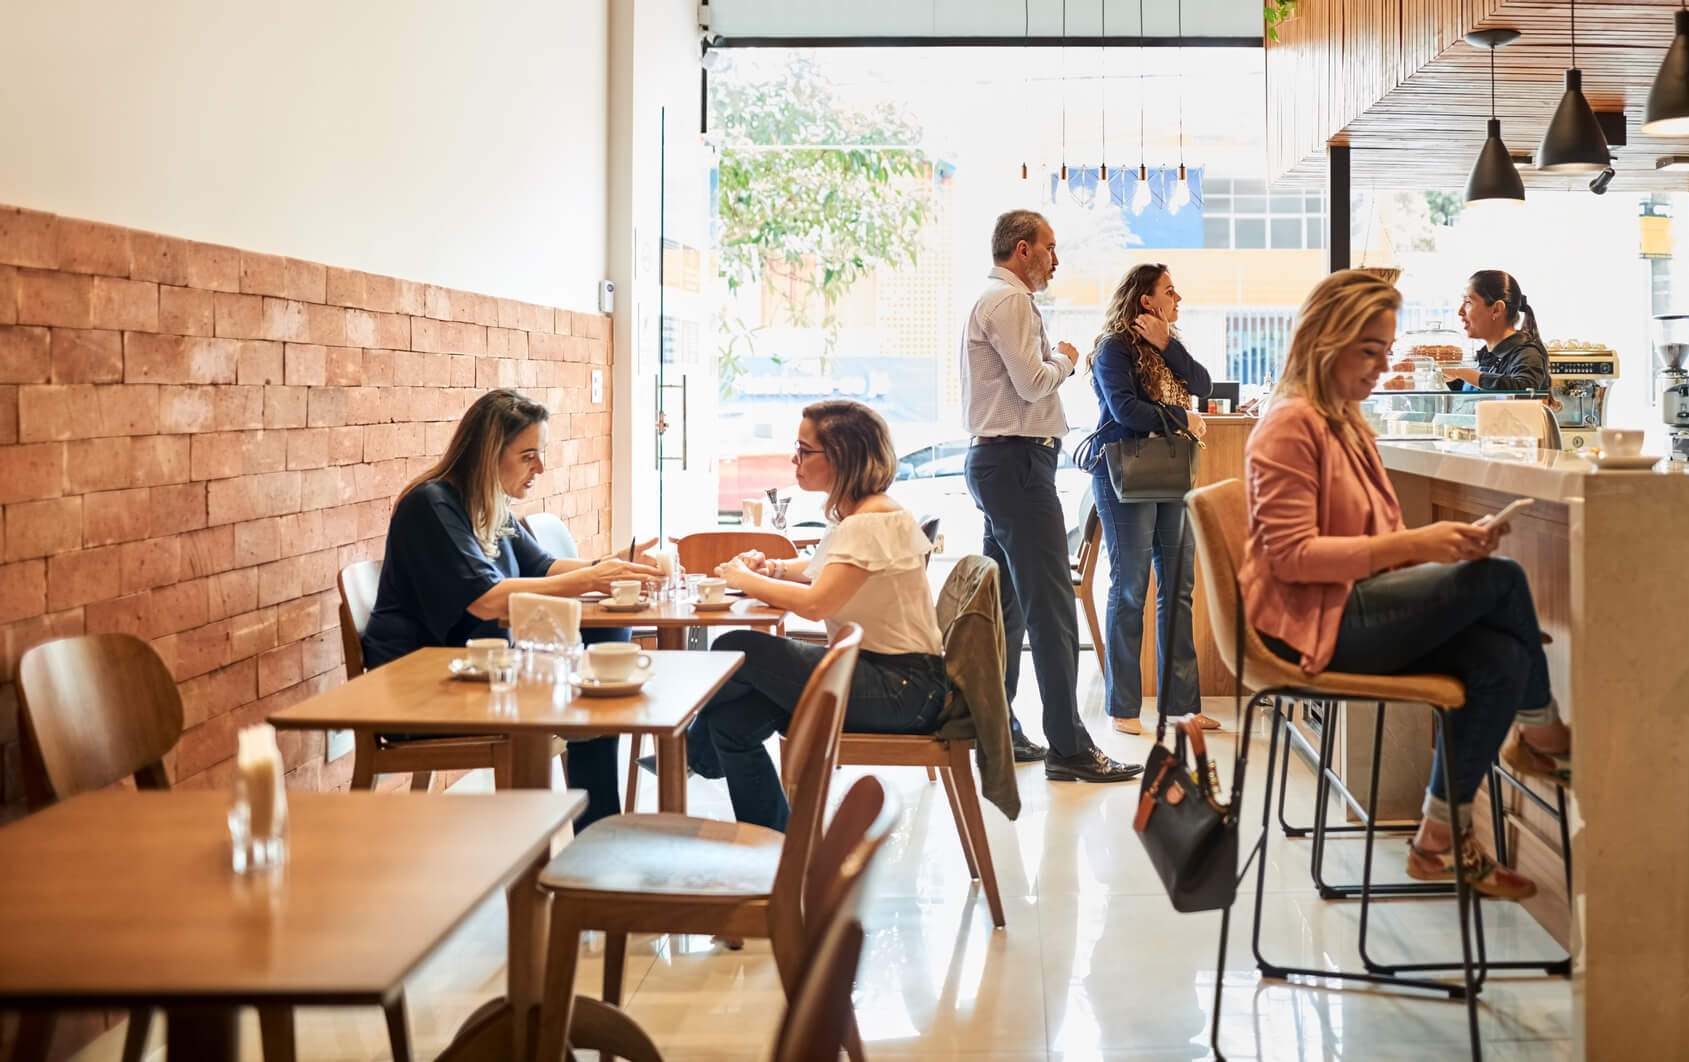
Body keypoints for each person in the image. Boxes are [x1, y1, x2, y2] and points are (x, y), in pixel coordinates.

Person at [1243, 269, 1573, 899]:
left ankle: (1437, 841)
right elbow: (1291, 558)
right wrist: (1425, 547)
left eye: (1386, 350)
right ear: (1323, 342)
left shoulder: (1344, 421)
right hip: (1307, 624)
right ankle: (1546, 738)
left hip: (1346, 608)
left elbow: (1383, 545)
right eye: (1369, 350)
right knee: (1501, 584)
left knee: (1501, 657)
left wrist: (1441, 558)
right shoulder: (1292, 425)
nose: (1381, 365)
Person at [362, 388, 663, 827]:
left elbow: (540, 567)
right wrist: (594, 579)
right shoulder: (432, 506)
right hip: (424, 688)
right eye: (528, 456)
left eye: (540, 454)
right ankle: (593, 823)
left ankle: (598, 824)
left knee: (604, 643)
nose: (540, 467)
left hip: (477, 671)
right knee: (591, 676)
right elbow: (486, 600)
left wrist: (611, 565)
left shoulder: (489, 503)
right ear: (488, 454)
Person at [682, 400, 951, 828]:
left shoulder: (870, 522)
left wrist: (742, 577)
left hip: (900, 688)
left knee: (736, 646)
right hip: (895, 680)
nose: (794, 460)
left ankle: (684, 753)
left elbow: (816, 603)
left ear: (842, 457)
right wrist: (769, 568)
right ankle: (777, 846)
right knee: (734, 721)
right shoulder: (868, 514)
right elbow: (822, 572)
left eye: (804, 451)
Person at [961, 209, 1139, 784]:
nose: (1056, 259)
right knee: (1053, 606)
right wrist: (1066, 355)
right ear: (1021, 250)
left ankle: (1001, 729)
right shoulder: (1008, 302)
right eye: (1050, 248)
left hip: (1002, 462)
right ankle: (1068, 747)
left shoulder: (997, 300)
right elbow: (1033, 381)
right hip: (1014, 464)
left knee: (1009, 606)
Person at [1080, 263, 1217, 736]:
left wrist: (1165, 343)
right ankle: (1123, 707)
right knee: (1131, 586)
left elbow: (1202, 384)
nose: (1178, 299)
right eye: (1170, 292)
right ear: (1146, 300)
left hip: (1172, 472)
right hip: (1124, 475)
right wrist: (1182, 419)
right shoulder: (1112, 349)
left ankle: (1182, 707)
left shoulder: (1166, 348)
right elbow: (1125, 412)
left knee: (1178, 585)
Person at [1442, 269, 1550, 392]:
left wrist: (1463, 373)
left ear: (1496, 310)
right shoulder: (1486, 355)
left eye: (1468, 303)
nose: (1460, 311)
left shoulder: (1527, 354)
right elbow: (1462, 391)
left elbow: (1523, 389)